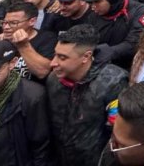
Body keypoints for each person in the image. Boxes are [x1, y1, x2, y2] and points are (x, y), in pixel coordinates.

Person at [47, 24, 128, 166]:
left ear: (86, 57)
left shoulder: (113, 82)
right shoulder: (53, 79)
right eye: (55, 55)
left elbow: (117, 133)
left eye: (62, 58)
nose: (53, 63)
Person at [82, 0, 144, 69]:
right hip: (99, 63)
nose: (93, 6)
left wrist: (109, 51)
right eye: (92, 2)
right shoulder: (93, 13)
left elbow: (135, 43)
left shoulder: (139, 11)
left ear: (113, 0)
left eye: (97, 1)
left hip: (129, 65)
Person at [1, 1, 57, 82]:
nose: (6, 27)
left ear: (32, 21)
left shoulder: (47, 39)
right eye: (4, 23)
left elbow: (43, 72)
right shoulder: (1, 40)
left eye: (13, 23)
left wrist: (23, 46)